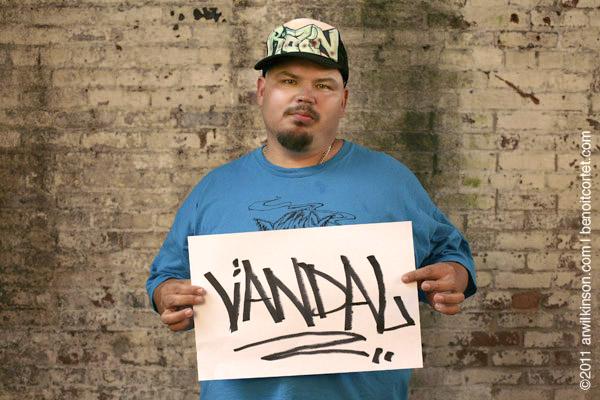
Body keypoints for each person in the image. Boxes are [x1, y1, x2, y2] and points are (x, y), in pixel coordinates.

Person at [147, 17, 476, 400]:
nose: (305, 96)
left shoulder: (391, 181)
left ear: (344, 100)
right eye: (288, 81)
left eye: (323, 85)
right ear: (262, 91)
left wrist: (452, 278)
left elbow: (451, 255)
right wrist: (169, 296)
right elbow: (165, 276)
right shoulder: (214, 189)